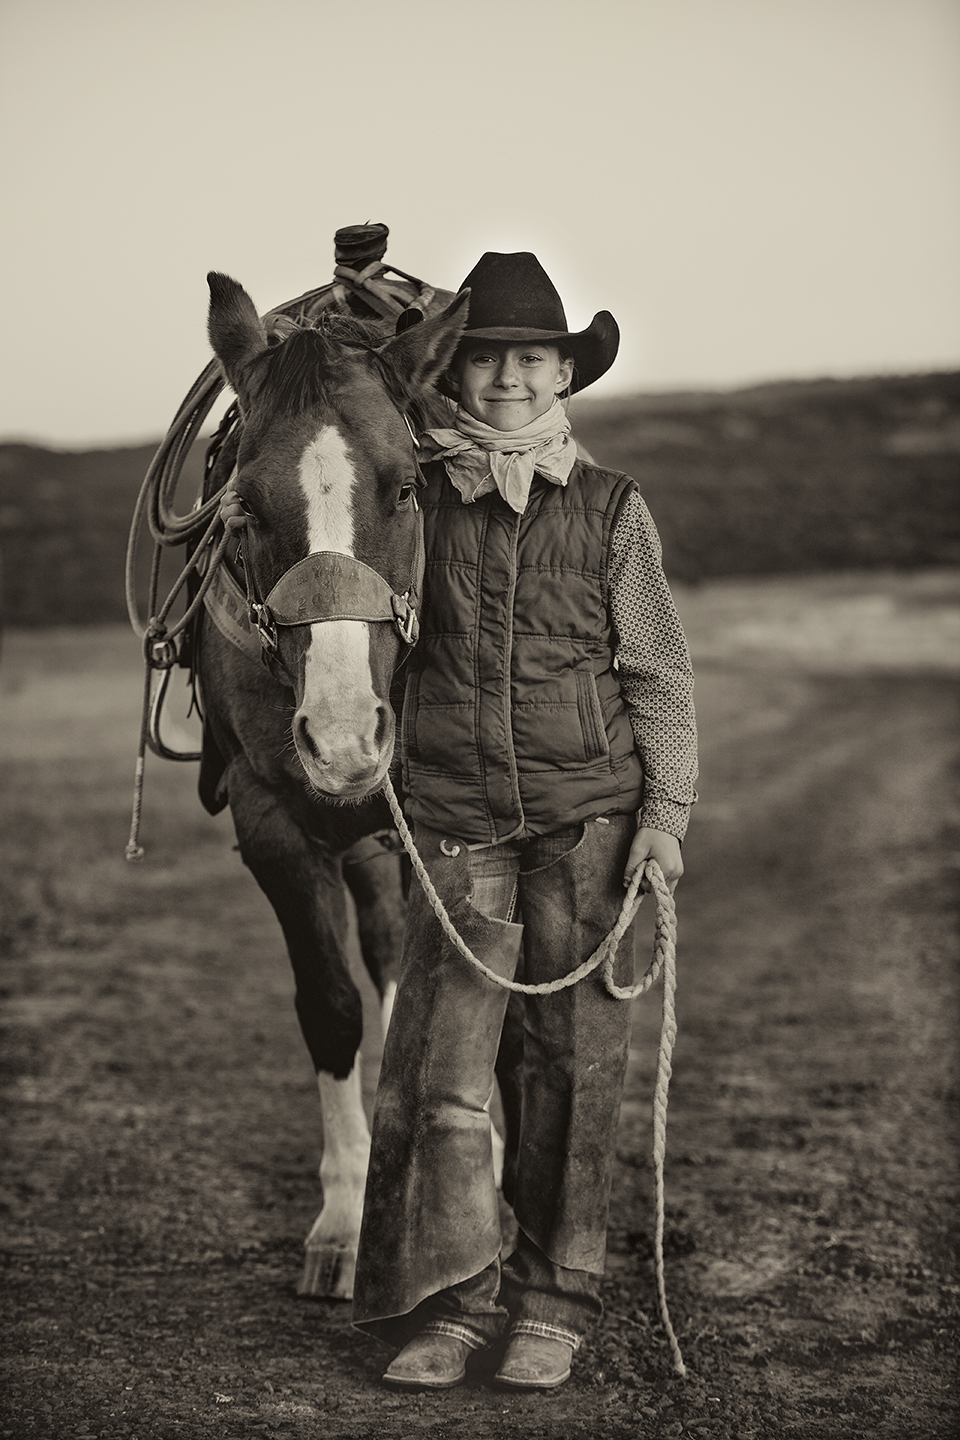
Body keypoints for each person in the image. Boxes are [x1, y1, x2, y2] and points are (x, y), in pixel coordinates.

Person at [348, 251, 699, 1391]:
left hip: (583, 823)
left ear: (565, 373)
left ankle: (552, 1302)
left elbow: (656, 674)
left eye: (533, 359)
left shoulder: (611, 508)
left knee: (568, 1072)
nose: (510, 380)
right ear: (454, 372)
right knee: (444, 1076)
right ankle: (453, 1304)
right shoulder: (409, 500)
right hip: (450, 813)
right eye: (488, 359)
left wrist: (666, 815)